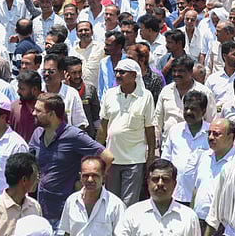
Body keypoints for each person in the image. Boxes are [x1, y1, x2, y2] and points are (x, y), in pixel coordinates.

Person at [30, 92, 109, 226]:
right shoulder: (37, 134)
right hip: (41, 210)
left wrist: (88, 183)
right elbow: (30, 161)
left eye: (38, 110)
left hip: (65, 214)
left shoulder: (74, 136)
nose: (33, 113)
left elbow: (107, 157)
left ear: (52, 114)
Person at [98, 58, 156, 207]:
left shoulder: (146, 96)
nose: (117, 75)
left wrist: (150, 157)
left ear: (133, 75)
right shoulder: (109, 94)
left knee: (128, 203)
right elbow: (103, 126)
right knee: (111, 202)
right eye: (116, 72)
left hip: (134, 160)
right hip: (111, 158)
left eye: (122, 72)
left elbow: (150, 129)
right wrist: (98, 154)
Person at [160, 90, 210, 205]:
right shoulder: (175, 131)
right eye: (186, 108)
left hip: (201, 197)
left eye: (193, 109)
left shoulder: (211, 133)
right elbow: (165, 161)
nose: (188, 112)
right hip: (175, 194)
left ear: (203, 111)